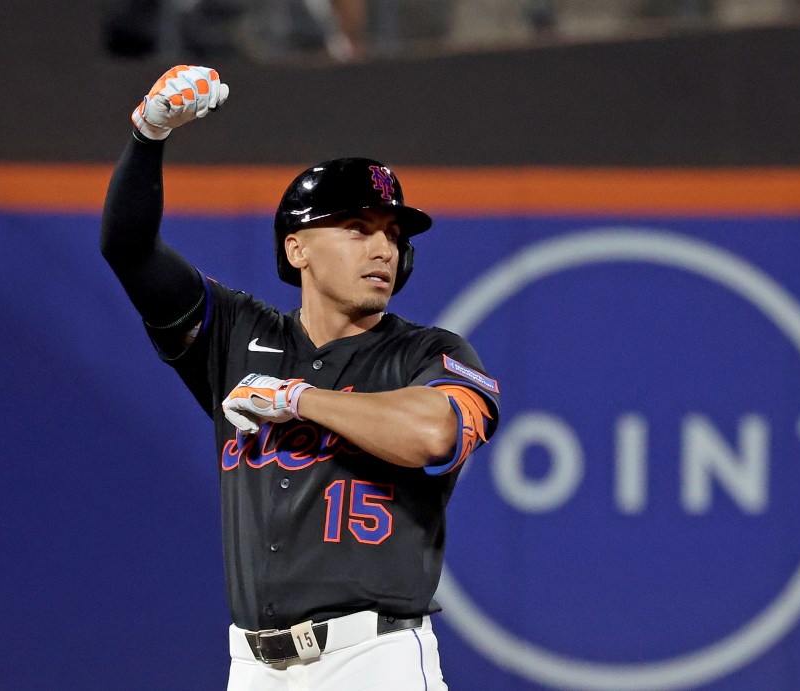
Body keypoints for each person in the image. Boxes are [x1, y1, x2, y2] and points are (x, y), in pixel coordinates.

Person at [100, 65, 500, 690]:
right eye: (357, 229)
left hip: (374, 659)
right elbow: (129, 250)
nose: (383, 249)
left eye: (392, 234)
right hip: (253, 666)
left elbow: (434, 435)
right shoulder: (236, 337)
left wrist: (298, 398)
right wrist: (147, 134)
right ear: (297, 249)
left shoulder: (426, 352)